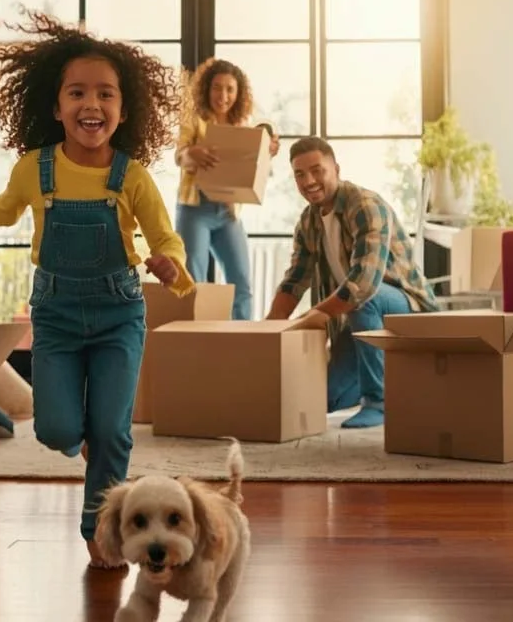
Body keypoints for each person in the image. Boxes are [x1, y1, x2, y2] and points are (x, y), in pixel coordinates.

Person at [0, 10, 194, 569]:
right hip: (58, 316)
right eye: (77, 93)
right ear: (55, 105)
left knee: (114, 431)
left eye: (106, 95)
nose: (92, 105)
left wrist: (172, 265)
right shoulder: (33, 168)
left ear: (123, 108)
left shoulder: (131, 175)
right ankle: (90, 442)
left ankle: (101, 529)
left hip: (119, 314)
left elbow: (166, 237)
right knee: (57, 428)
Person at [265, 136, 438, 429]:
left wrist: (314, 314)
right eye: (299, 174)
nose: (309, 181)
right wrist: (269, 327)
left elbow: (364, 283)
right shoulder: (308, 221)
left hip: (406, 310)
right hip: (359, 320)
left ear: (336, 169)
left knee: (364, 297)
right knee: (321, 400)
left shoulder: (365, 205)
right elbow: (294, 280)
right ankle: (390, 379)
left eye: (317, 170)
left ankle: (379, 402)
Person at [174, 58, 280, 320]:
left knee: (241, 282)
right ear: (207, 89)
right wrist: (192, 153)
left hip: (228, 211)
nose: (223, 95)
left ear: (238, 93)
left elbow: (258, 161)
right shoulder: (194, 119)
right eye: (217, 88)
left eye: (230, 89)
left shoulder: (243, 124)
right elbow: (179, 157)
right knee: (193, 280)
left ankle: (241, 341)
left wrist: (268, 152)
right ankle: (193, 338)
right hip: (195, 208)